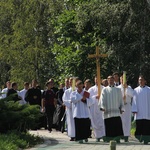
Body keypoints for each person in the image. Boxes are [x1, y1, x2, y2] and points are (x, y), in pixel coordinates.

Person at [99, 75, 124, 143]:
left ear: (114, 80)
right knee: (109, 124)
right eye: (109, 80)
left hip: (116, 111)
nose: (111, 81)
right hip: (108, 111)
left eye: (112, 79)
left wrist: (122, 107)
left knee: (117, 124)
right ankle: (109, 138)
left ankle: (117, 138)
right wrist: (102, 107)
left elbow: (120, 99)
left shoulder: (118, 90)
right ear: (107, 81)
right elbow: (102, 99)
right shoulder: (105, 89)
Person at [132, 75, 150, 144]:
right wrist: (134, 109)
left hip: (147, 111)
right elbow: (134, 100)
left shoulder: (149, 90)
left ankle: (146, 139)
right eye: (139, 80)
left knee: (146, 126)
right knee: (139, 126)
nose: (140, 81)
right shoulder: (136, 90)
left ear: (145, 81)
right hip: (139, 111)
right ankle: (139, 137)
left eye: (142, 80)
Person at [88, 77, 105, 142]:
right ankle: (97, 136)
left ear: (101, 80)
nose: (96, 81)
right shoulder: (91, 89)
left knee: (102, 122)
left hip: (102, 108)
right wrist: (95, 97)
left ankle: (103, 135)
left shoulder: (104, 88)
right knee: (95, 122)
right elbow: (88, 100)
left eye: (98, 80)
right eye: (95, 80)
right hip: (94, 108)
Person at [118, 76, 133, 142]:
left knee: (127, 121)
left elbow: (132, 95)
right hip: (120, 106)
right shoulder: (117, 88)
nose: (122, 81)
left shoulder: (129, 87)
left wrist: (126, 88)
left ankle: (126, 136)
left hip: (127, 106)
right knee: (121, 121)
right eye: (121, 79)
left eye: (124, 79)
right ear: (120, 80)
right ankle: (121, 135)